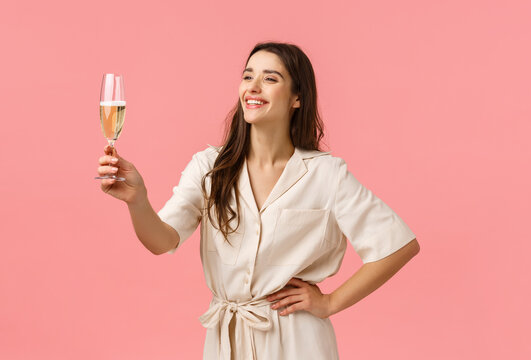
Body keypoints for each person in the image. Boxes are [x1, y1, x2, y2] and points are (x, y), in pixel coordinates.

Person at [97, 41, 420, 360]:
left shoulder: (326, 175)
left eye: (270, 78)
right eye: (248, 76)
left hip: (297, 340)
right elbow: (162, 240)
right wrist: (137, 200)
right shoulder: (209, 167)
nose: (253, 87)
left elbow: (398, 244)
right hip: (228, 340)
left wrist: (330, 302)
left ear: (297, 98)